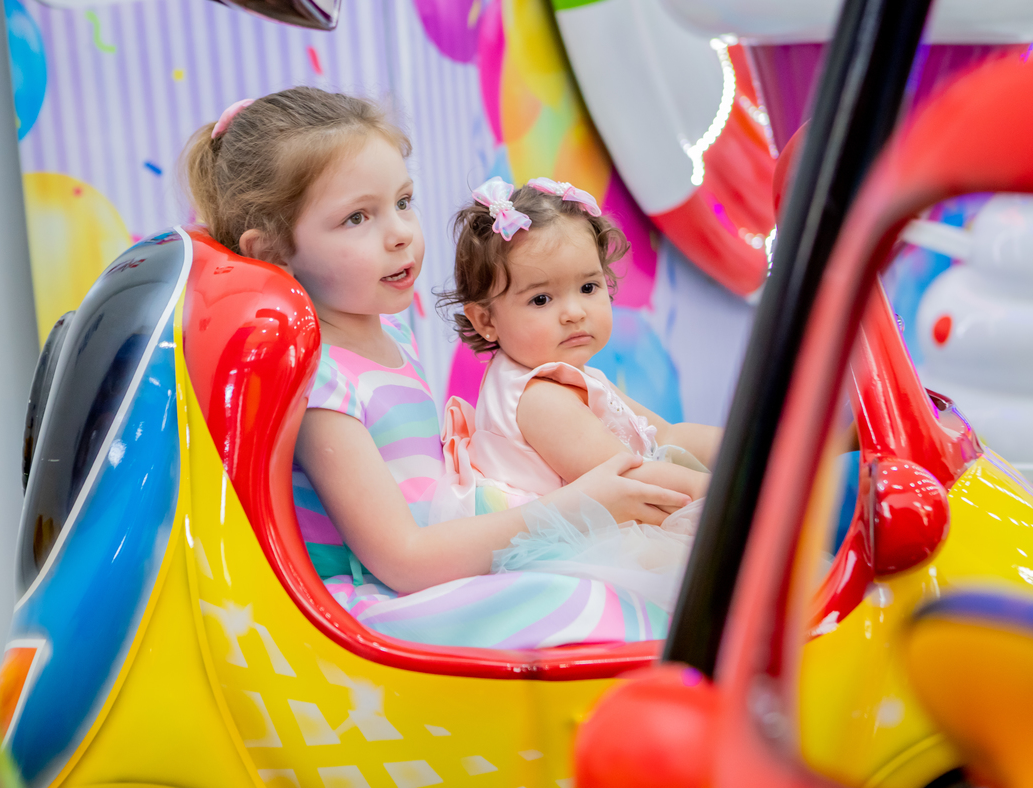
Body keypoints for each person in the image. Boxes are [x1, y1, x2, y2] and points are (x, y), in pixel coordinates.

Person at [181, 87, 690, 648]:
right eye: (357, 217)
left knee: (656, 566)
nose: (400, 232)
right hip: (386, 598)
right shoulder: (319, 379)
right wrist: (573, 505)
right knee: (582, 603)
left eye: (403, 201)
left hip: (447, 551)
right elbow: (403, 558)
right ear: (273, 252)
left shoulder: (389, 331)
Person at [435, 177, 723, 610]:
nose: (573, 312)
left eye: (588, 288)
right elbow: (630, 480)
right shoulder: (538, 398)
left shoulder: (572, 375)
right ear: (485, 321)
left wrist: (748, 452)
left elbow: (667, 435)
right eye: (541, 299)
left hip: (620, 521)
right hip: (578, 551)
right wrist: (729, 496)